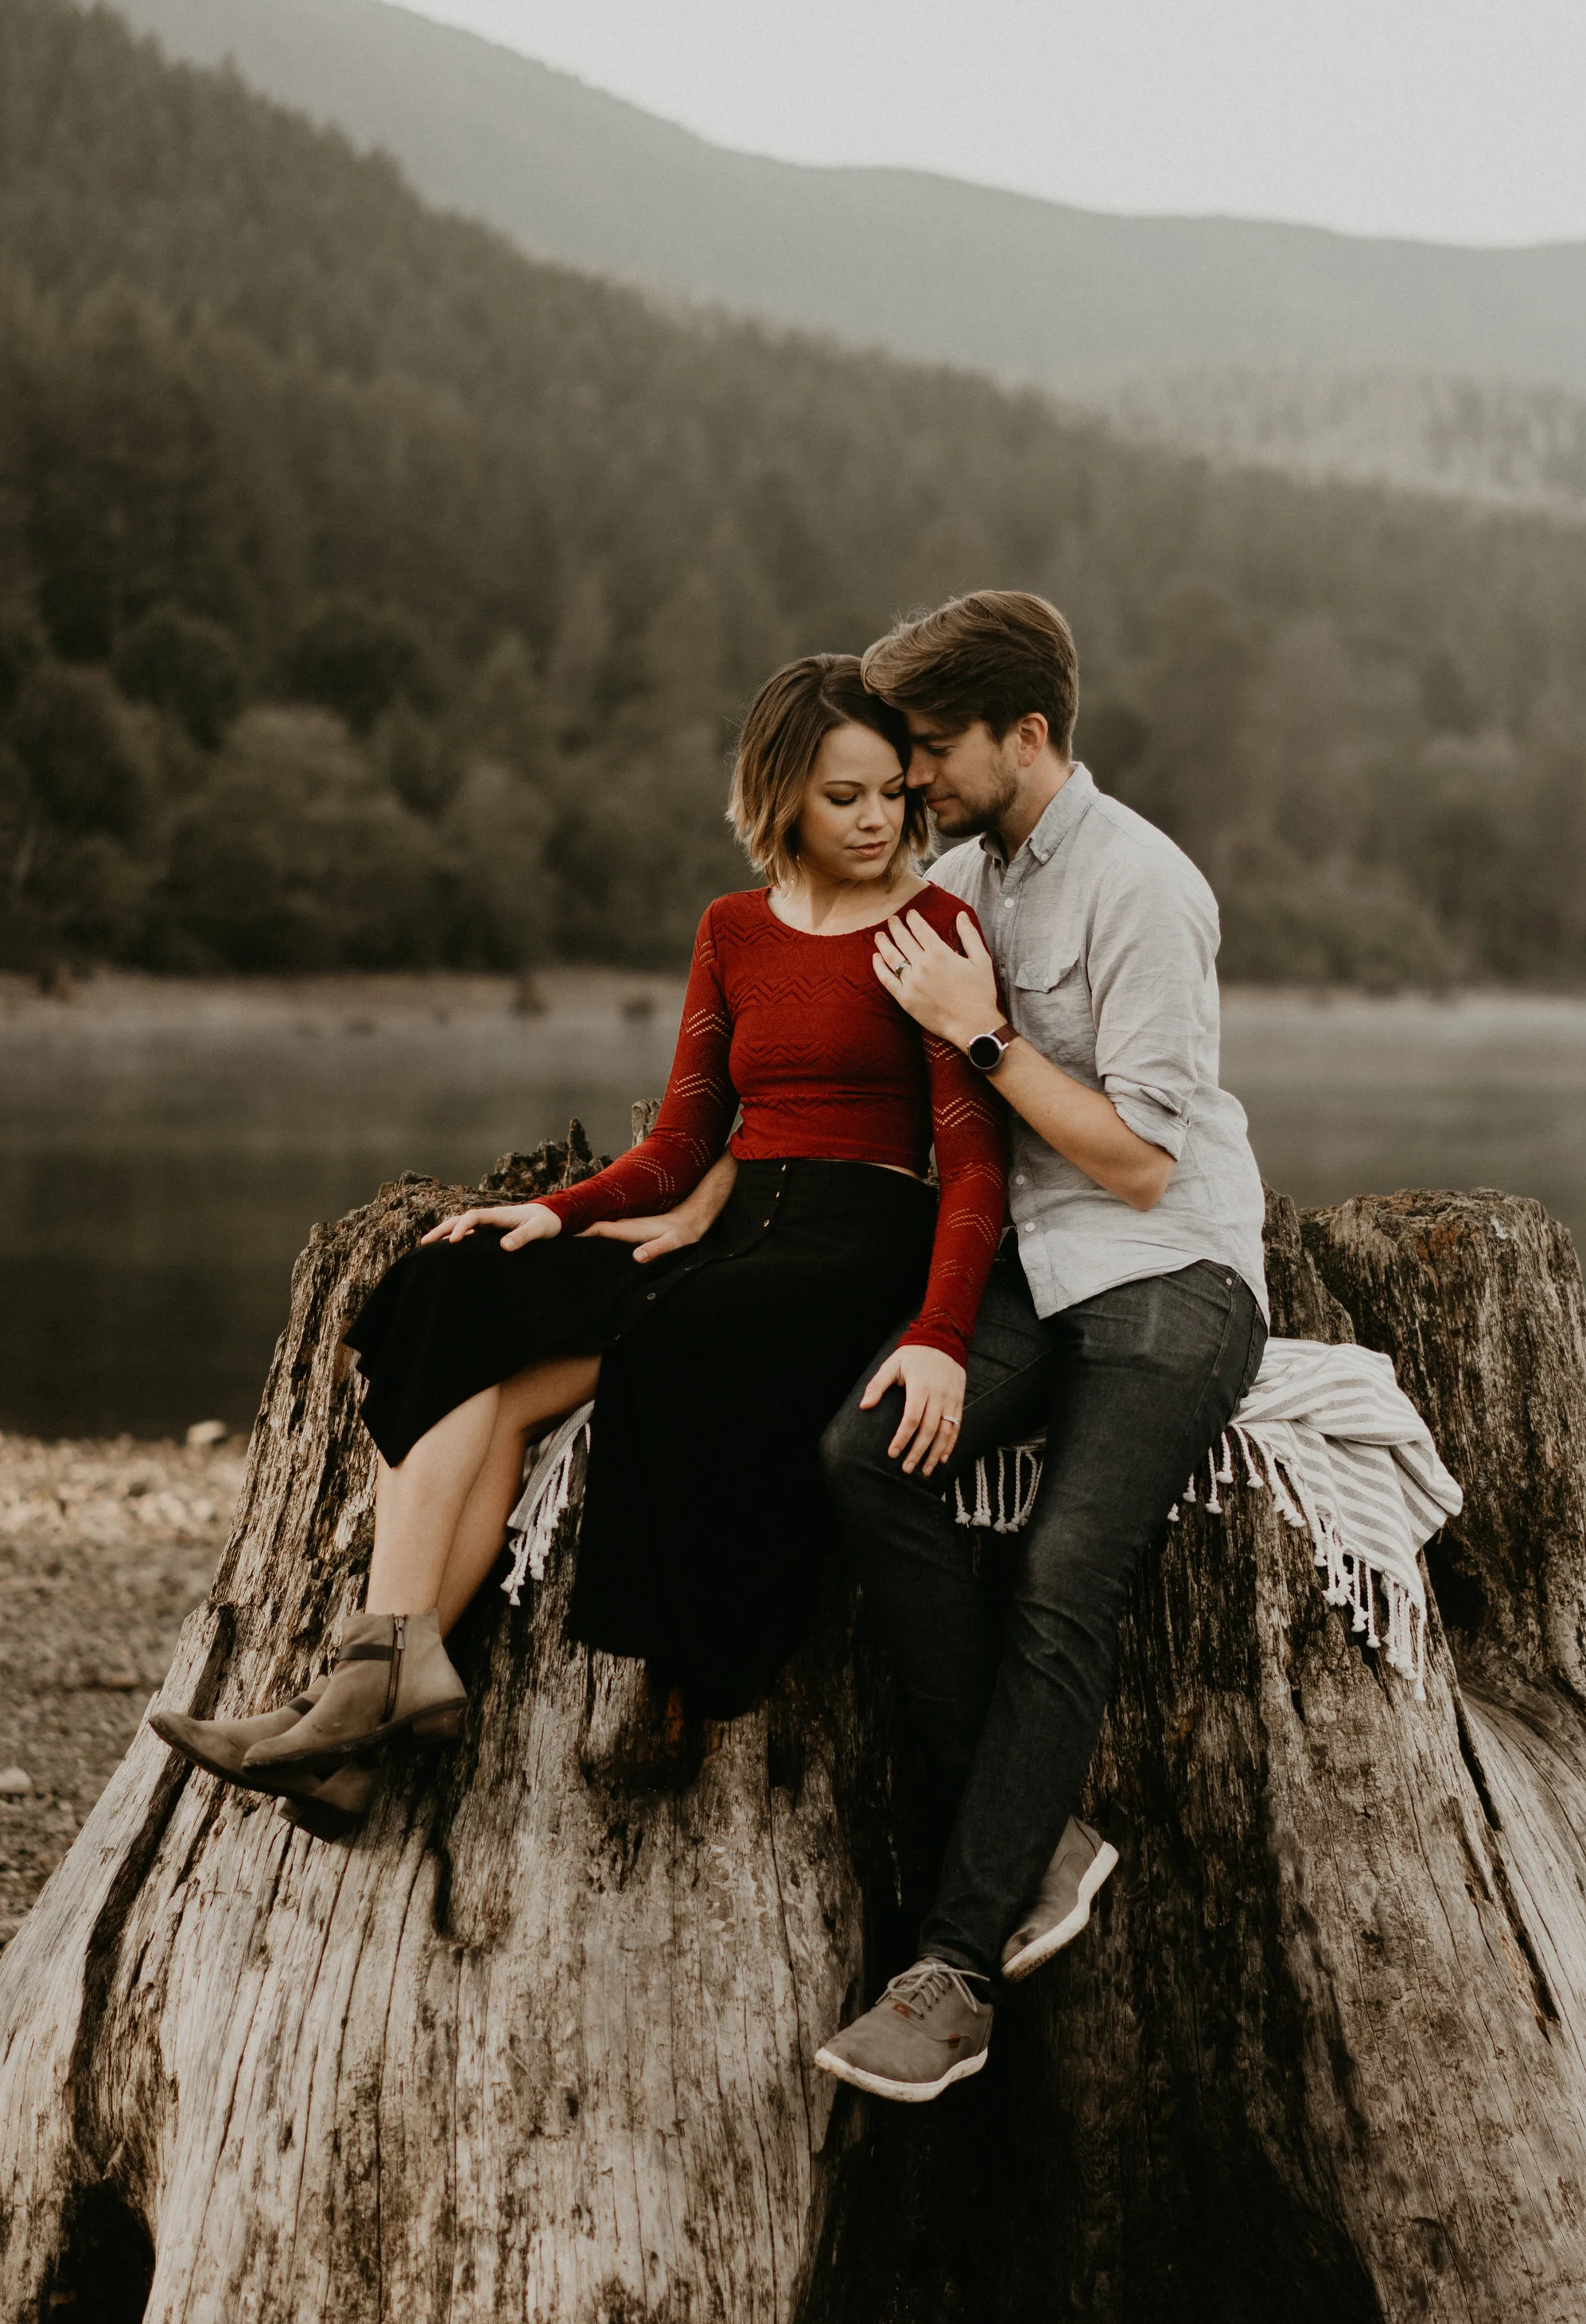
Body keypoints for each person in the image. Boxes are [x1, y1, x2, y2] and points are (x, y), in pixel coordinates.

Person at [150, 654, 1007, 1826]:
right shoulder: (735, 929)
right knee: (460, 1284)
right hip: (729, 1220)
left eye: (889, 793)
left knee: (666, 1338)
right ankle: (376, 1683)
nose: (876, 819)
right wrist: (556, 1212)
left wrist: (943, 1330)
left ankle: (354, 1708)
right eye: (841, 796)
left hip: (852, 1245)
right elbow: (688, 1133)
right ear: (780, 797)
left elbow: (970, 1170)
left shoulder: (934, 925)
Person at [814, 590, 1268, 2104]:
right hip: (1026, 1265)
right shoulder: (955, 875)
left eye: (936, 749)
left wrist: (985, 1031)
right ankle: (1041, 1837)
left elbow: (1141, 1163)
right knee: (864, 1454)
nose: (917, 776)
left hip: (1170, 1271)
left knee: (1069, 1566)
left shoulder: (1146, 887)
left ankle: (950, 1968)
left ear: (1031, 733)